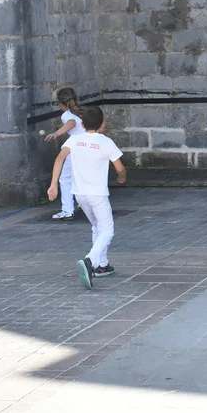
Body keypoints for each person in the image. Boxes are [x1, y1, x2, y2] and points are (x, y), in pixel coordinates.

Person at [47, 106, 127, 289]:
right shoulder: (106, 142)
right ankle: (90, 261)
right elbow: (119, 167)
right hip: (97, 194)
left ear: (82, 124)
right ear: (103, 124)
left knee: (97, 227)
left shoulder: (74, 140)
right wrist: (122, 176)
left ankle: (102, 265)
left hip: (79, 194)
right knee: (107, 231)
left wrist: (53, 185)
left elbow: (59, 159)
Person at [44, 87, 85, 221]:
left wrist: (56, 133)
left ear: (61, 104)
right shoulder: (81, 112)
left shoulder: (67, 114)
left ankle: (67, 210)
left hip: (76, 149)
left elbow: (71, 123)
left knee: (65, 179)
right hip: (88, 148)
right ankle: (85, 203)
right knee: (82, 177)